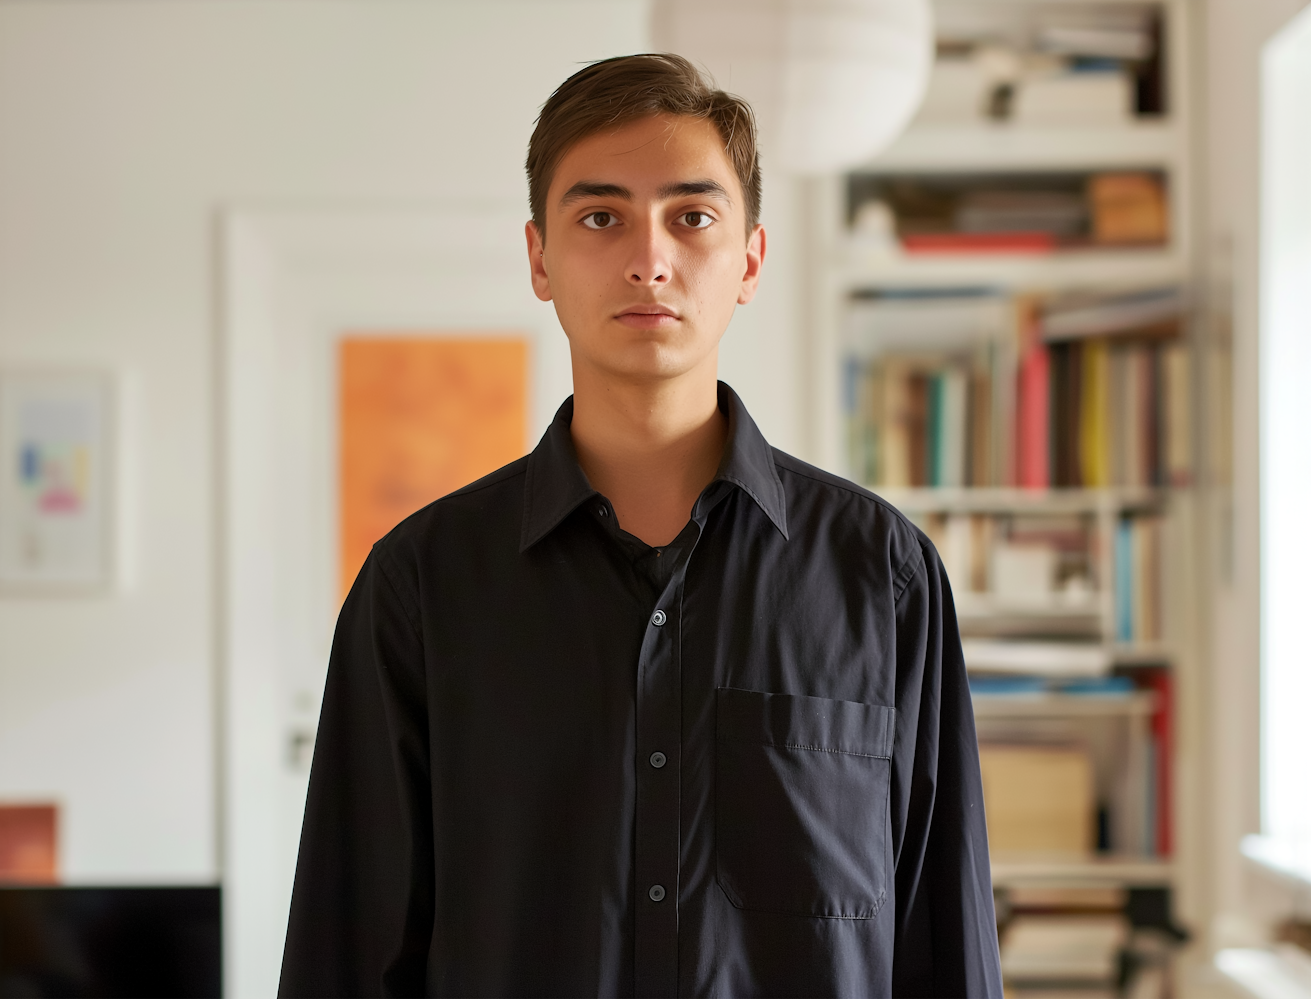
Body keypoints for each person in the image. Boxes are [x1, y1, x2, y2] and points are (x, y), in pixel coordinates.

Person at [278, 53, 1002, 998]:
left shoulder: (885, 575)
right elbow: (348, 948)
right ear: (540, 257)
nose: (649, 258)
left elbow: (943, 938)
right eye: (600, 216)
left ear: (749, 260)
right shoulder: (421, 585)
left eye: (692, 217)